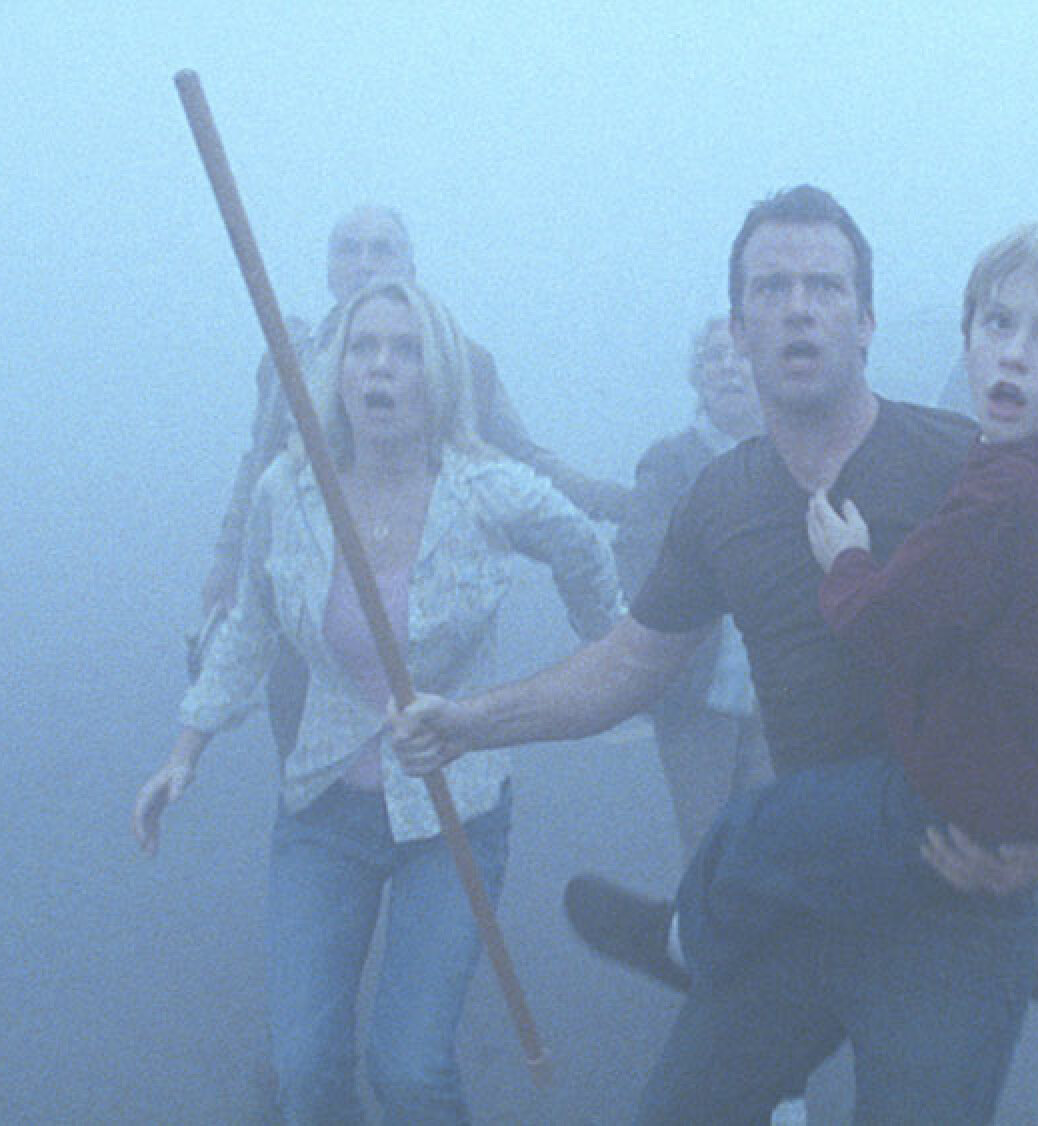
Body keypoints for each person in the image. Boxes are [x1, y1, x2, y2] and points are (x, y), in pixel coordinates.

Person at [390, 186, 1038, 1124]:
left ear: (867, 322)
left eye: (823, 286)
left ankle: (688, 934)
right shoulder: (721, 502)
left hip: (955, 905)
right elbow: (629, 666)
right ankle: (696, 941)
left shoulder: (967, 467)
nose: (798, 305)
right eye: (771, 288)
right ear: (739, 329)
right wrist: (470, 723)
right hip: (797, 904)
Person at [667, 217, 1038, 1006]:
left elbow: (889, 630)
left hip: (967, 791)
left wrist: (846, 562)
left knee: (757, 826)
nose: (1014, 352)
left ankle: (681, 945)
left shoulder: (1002, 491)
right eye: (998, 323)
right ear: (969, 332)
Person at [135, 279, 622, 1125]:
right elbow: (250, 629)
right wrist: (185, 751)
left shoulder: (487, 490)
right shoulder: (287, 494)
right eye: (365, 348)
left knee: (410, 1073)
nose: (382, 369)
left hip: (456, 811)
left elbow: (582, 547)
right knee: (308, 1073)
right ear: (337, 371)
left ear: (437, 374)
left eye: (405, 350)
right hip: (322, 809)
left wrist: (610, 658)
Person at [197, 204, 627, 756]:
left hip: (420, 603)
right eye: (348, 249)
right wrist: (226, 559)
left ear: (410, 268)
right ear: (330, 270)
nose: (364, 264)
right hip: (309, 603)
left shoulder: (461, 361)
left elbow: (518, 454)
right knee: (306, 751)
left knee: (425, 755)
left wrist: (608, 500)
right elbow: (258, 462)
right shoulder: (288, 359)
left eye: (382, 249)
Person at [611, 315, 771, 855]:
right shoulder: (670, 461)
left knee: (775, 848)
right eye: (713, 357)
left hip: (779, 694)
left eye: (741, 355)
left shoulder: (795, 454)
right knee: (710, 851)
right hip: (697, 694)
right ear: (696, 377)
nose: (727, 368)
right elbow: (640, 568)